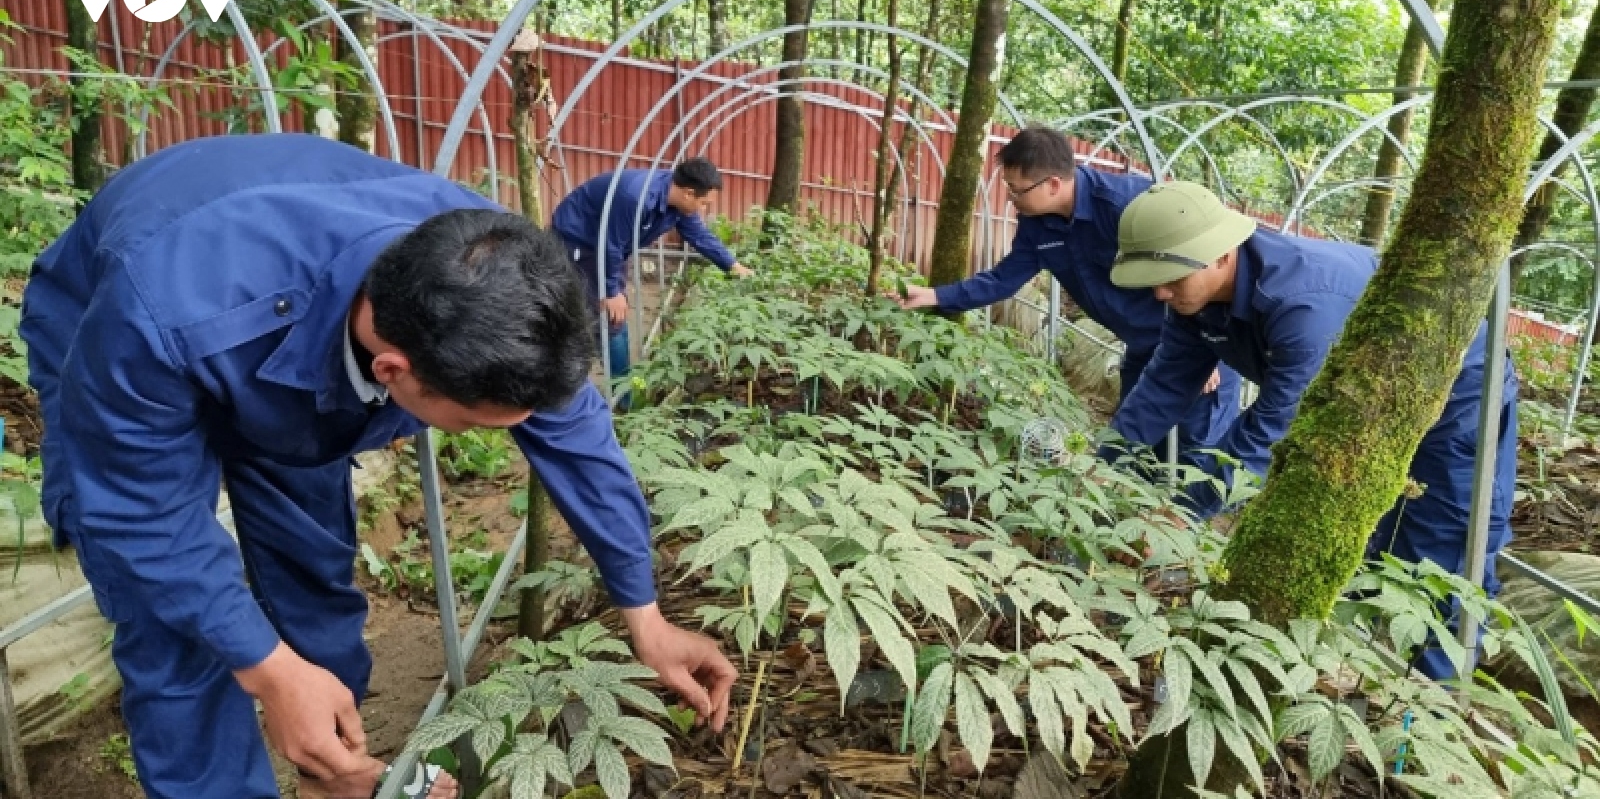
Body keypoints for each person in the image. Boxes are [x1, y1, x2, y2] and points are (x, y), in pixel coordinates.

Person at [20, 134, 737, 799]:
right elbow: (142, 518)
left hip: (287, 327)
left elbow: (578, 435)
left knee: (313, 574)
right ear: (392, 372)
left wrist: (644, 615)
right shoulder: (156, 316)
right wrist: (268, 671)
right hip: (134, 316)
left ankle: (335, 766)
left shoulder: (490, 274)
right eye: (475, 426)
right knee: (172, 624)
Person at [1103, 180, 1518, 679]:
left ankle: (1432, 699)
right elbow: (1164, 385)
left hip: (1456, 392)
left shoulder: (1304, 304)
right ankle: (1369, 664)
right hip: (1363, 395)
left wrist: (1183, 512)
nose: (1160, 292)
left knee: (1444, 541)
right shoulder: (1196, 301)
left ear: (1219, 255)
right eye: (1154, 280)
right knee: (1374, 531)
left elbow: (1273, 427)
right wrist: (1102, 465)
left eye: (1170, 278)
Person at [894, 125, 1239, 452]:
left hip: (1200, 343)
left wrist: (1203, 350)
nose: (1011, 198)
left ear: (1054, 184)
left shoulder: (1128, 205)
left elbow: (1200, 269)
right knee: (1136, 447)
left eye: (1017, 189)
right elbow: (1003, 280)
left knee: (1198, 450)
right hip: (1143, 346)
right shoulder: (1037, 225)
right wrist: (933, 296)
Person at [551, 158, 752, 391]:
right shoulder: (635, 198)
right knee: (603, 317)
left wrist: (732, 265)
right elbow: (610, 244)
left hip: (609, 247)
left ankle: (621, 388)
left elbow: (698, 235)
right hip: (579, 241)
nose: (703, 209)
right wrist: (611, 291)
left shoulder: (676, 202)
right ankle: (603, 392)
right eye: (704, 203)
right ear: (689, 193)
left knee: (613, 316)